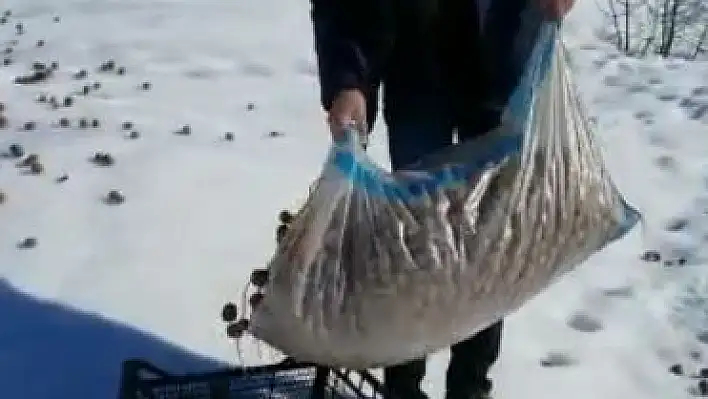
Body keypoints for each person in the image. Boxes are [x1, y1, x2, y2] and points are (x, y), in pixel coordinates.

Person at [309, 0, 576, 398]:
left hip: (503, 63)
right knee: (415, 239)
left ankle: (470, 387)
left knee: (491, 241)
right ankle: (402, 387)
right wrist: (348, 78)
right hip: (417, 66)